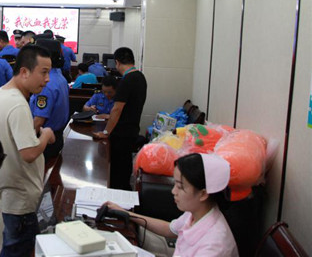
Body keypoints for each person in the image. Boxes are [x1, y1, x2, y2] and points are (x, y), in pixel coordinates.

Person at [0, 45, 56, 256]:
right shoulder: (18, 104)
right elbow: (29, 153)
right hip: (21, 194)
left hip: (9, 188)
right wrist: (46, 136)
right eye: (43, 72)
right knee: (17, 250)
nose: (47, 79)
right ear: (24, 71)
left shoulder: (2, 92)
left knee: (12, 244)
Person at [102, 153, 238, 257]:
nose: (173, 191)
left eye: (180, 186)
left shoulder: (214, 247)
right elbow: (170, 229)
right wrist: (127, 213)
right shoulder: (198, 212)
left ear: (203, 194)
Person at [93, 47, 147, 190]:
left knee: (118, 172)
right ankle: (124, 192)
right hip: (132, 130)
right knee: (125, 167)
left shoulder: (127, 80)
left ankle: (119, 195)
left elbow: (117, 109)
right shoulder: (141, 77)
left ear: (117, 62)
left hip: (121, 134)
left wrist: (105, 132)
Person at [29, 37, 69, 160]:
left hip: (45, 139)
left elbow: (39, 121)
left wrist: (26, 143)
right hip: (56, 136)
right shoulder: (59, 76)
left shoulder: (46, 83)